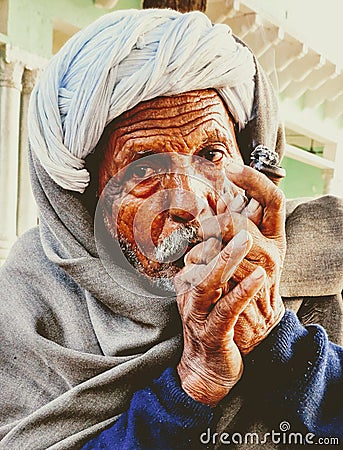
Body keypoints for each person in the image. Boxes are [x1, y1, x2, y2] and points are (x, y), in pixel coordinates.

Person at [0, 8, 342, 450]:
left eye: (213, 155)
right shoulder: (31, 305)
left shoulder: (321, 254)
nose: (189, 202)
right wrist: (192, 386)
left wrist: (275, 337)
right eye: (143, 169)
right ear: (86, 204)